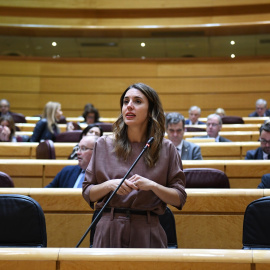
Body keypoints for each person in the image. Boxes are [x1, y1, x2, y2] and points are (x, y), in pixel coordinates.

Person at [82, 82, 186, 248]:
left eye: (137, 101)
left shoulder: (167, 149)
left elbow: (179, 197)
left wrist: (152, 186)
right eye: (125, 101)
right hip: (109, 228)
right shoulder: (103, 144)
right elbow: (88, 193)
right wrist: (110, 185)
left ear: (151, 110)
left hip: (147, 230)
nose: (129, 106)